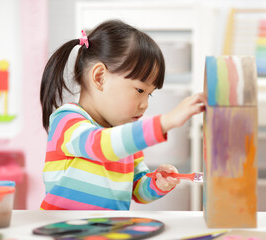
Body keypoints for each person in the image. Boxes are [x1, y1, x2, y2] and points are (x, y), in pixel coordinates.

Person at [39, 20, 206, 210]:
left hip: (108, 230)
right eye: (140, 90)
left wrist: (157, 184)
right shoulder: (67, 121)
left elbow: (137, 190)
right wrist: (165, 122)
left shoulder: (122, 136)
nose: (145, 105)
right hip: (64, 231)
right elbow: (101, 146)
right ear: (100, 77)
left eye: (149, 94)